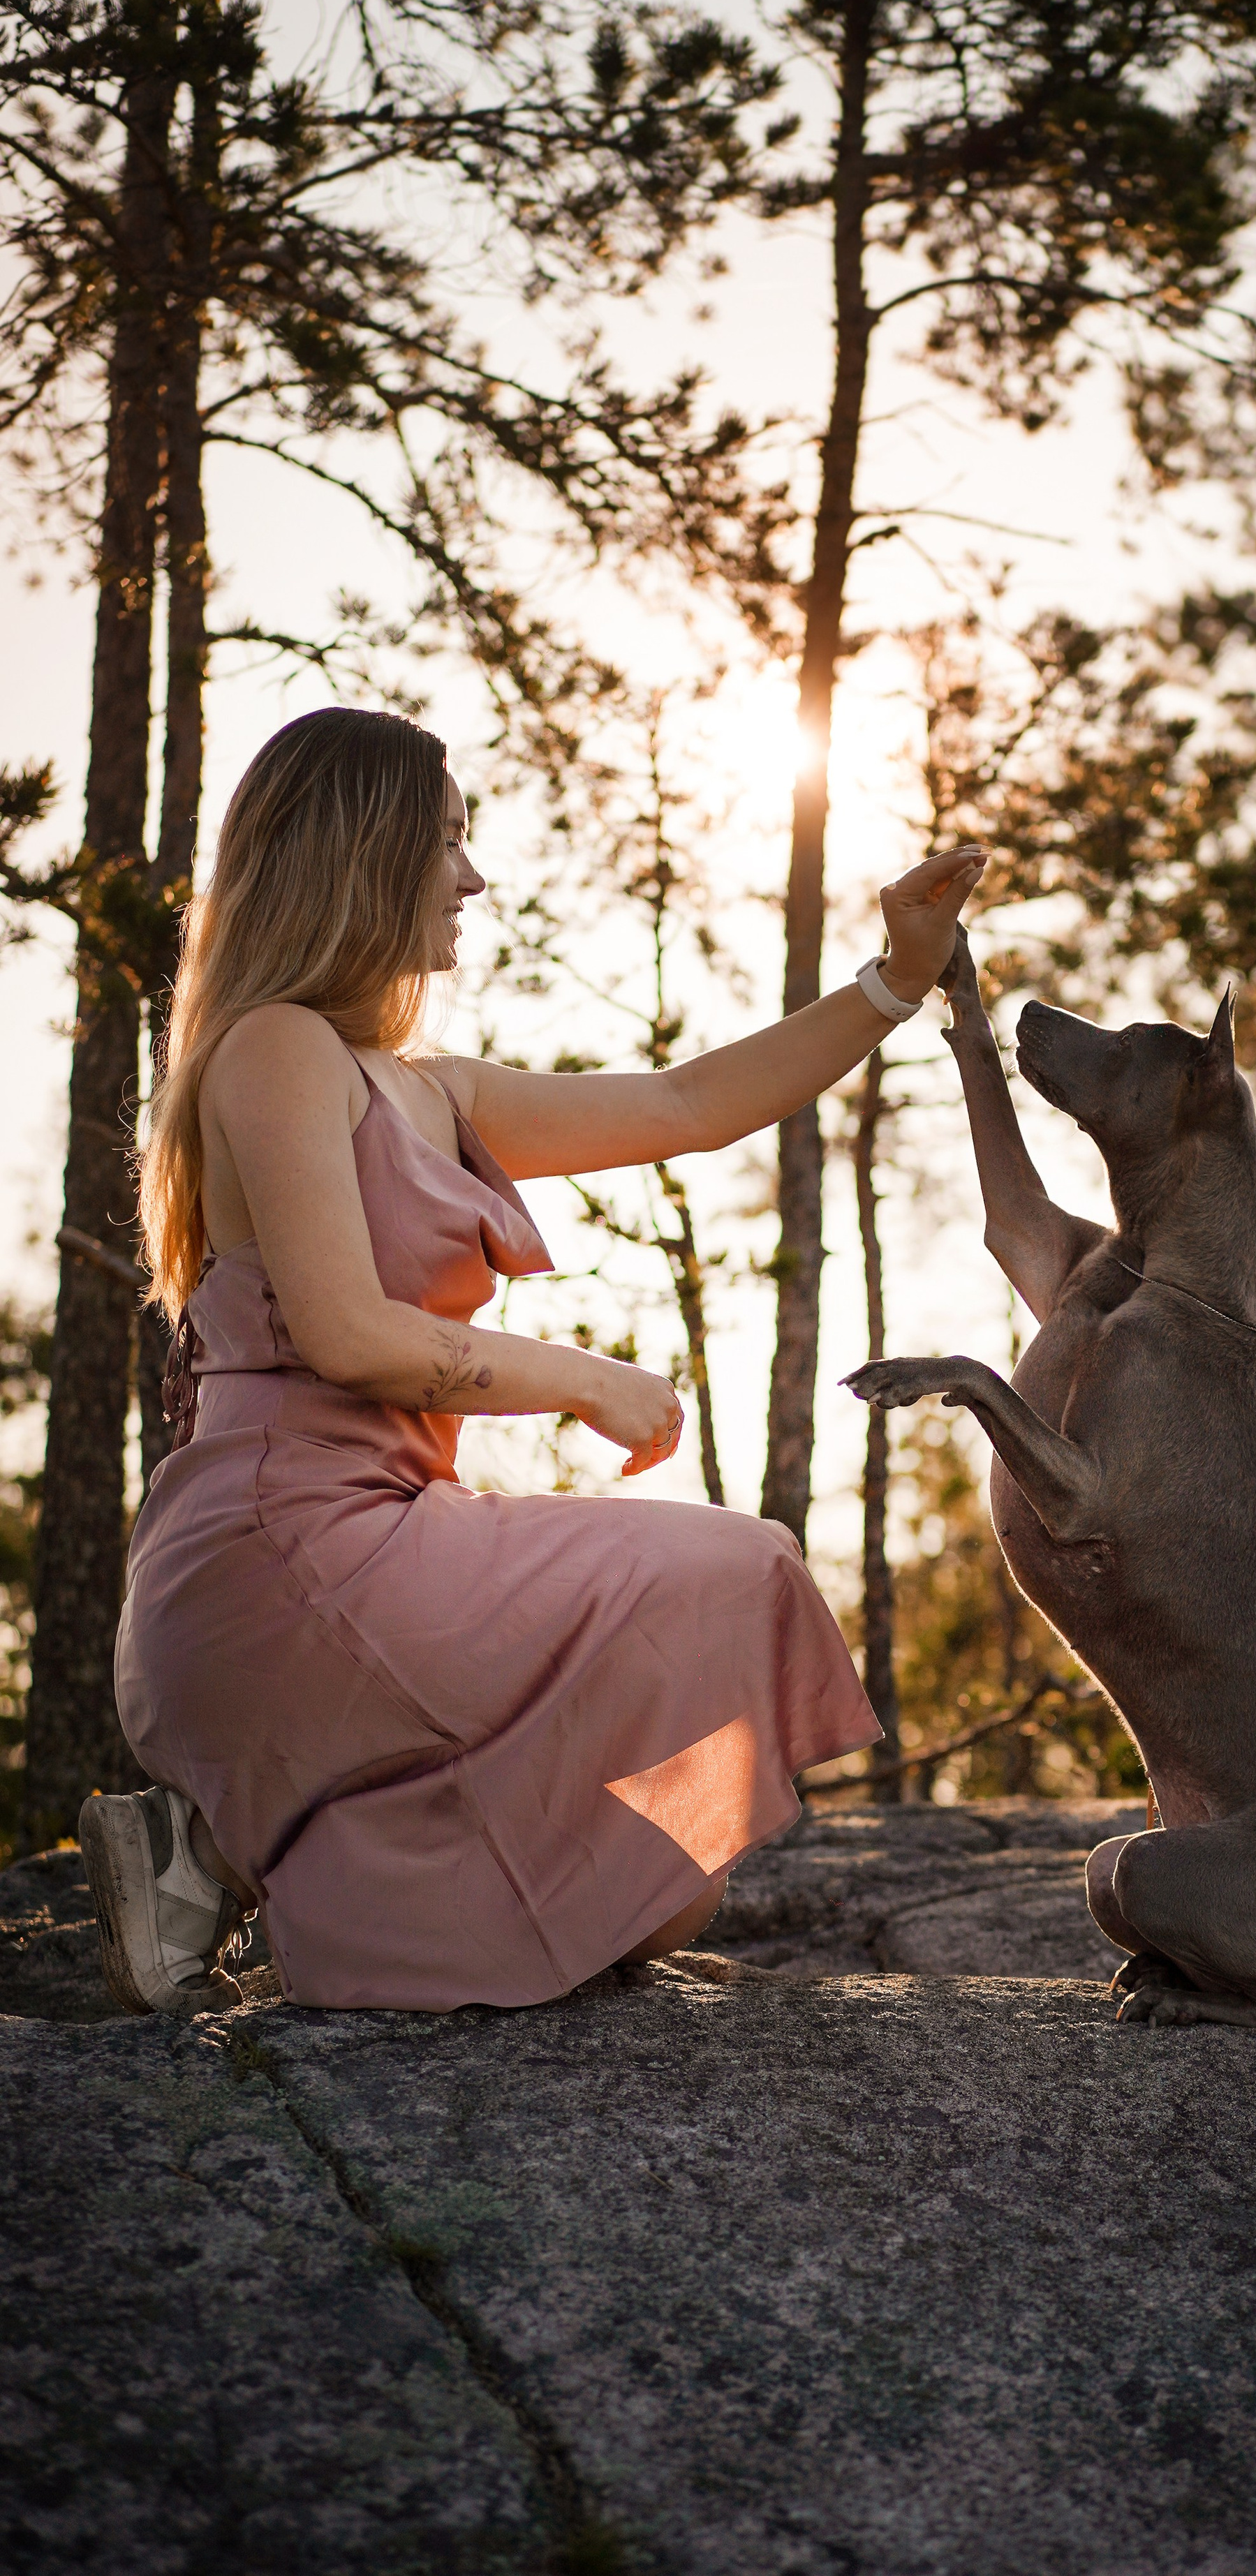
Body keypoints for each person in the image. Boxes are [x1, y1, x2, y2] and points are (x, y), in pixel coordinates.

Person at [78, 706, 983, 2016]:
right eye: (448, 840)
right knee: (744, 1565)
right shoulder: (276, 1049)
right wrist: (584, 1377)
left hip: (390, 1540)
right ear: (365, 855)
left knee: (667, 1891)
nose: (473, 876)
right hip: (281, 1555)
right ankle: (231, 1841)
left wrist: (893, 979)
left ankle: (210, 1864)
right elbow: (343, 1331)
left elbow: (688, 1104)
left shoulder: (427, 1088)